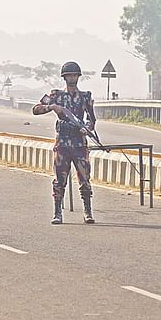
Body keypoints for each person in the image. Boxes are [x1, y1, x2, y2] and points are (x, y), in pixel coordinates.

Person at [32, 61, 96, 224]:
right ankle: (57, 212)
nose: (72, 78)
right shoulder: (56, 96)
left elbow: (92, 120)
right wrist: (53, 107)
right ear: (65, 77)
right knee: (59, 180)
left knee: (84, 179)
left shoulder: (85, 97)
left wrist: (86, 128)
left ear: (78, 77)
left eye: (74, 75)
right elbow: (36, 109)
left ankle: (87, 211)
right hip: (62, 143)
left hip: (79, 143)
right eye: (69, 76)